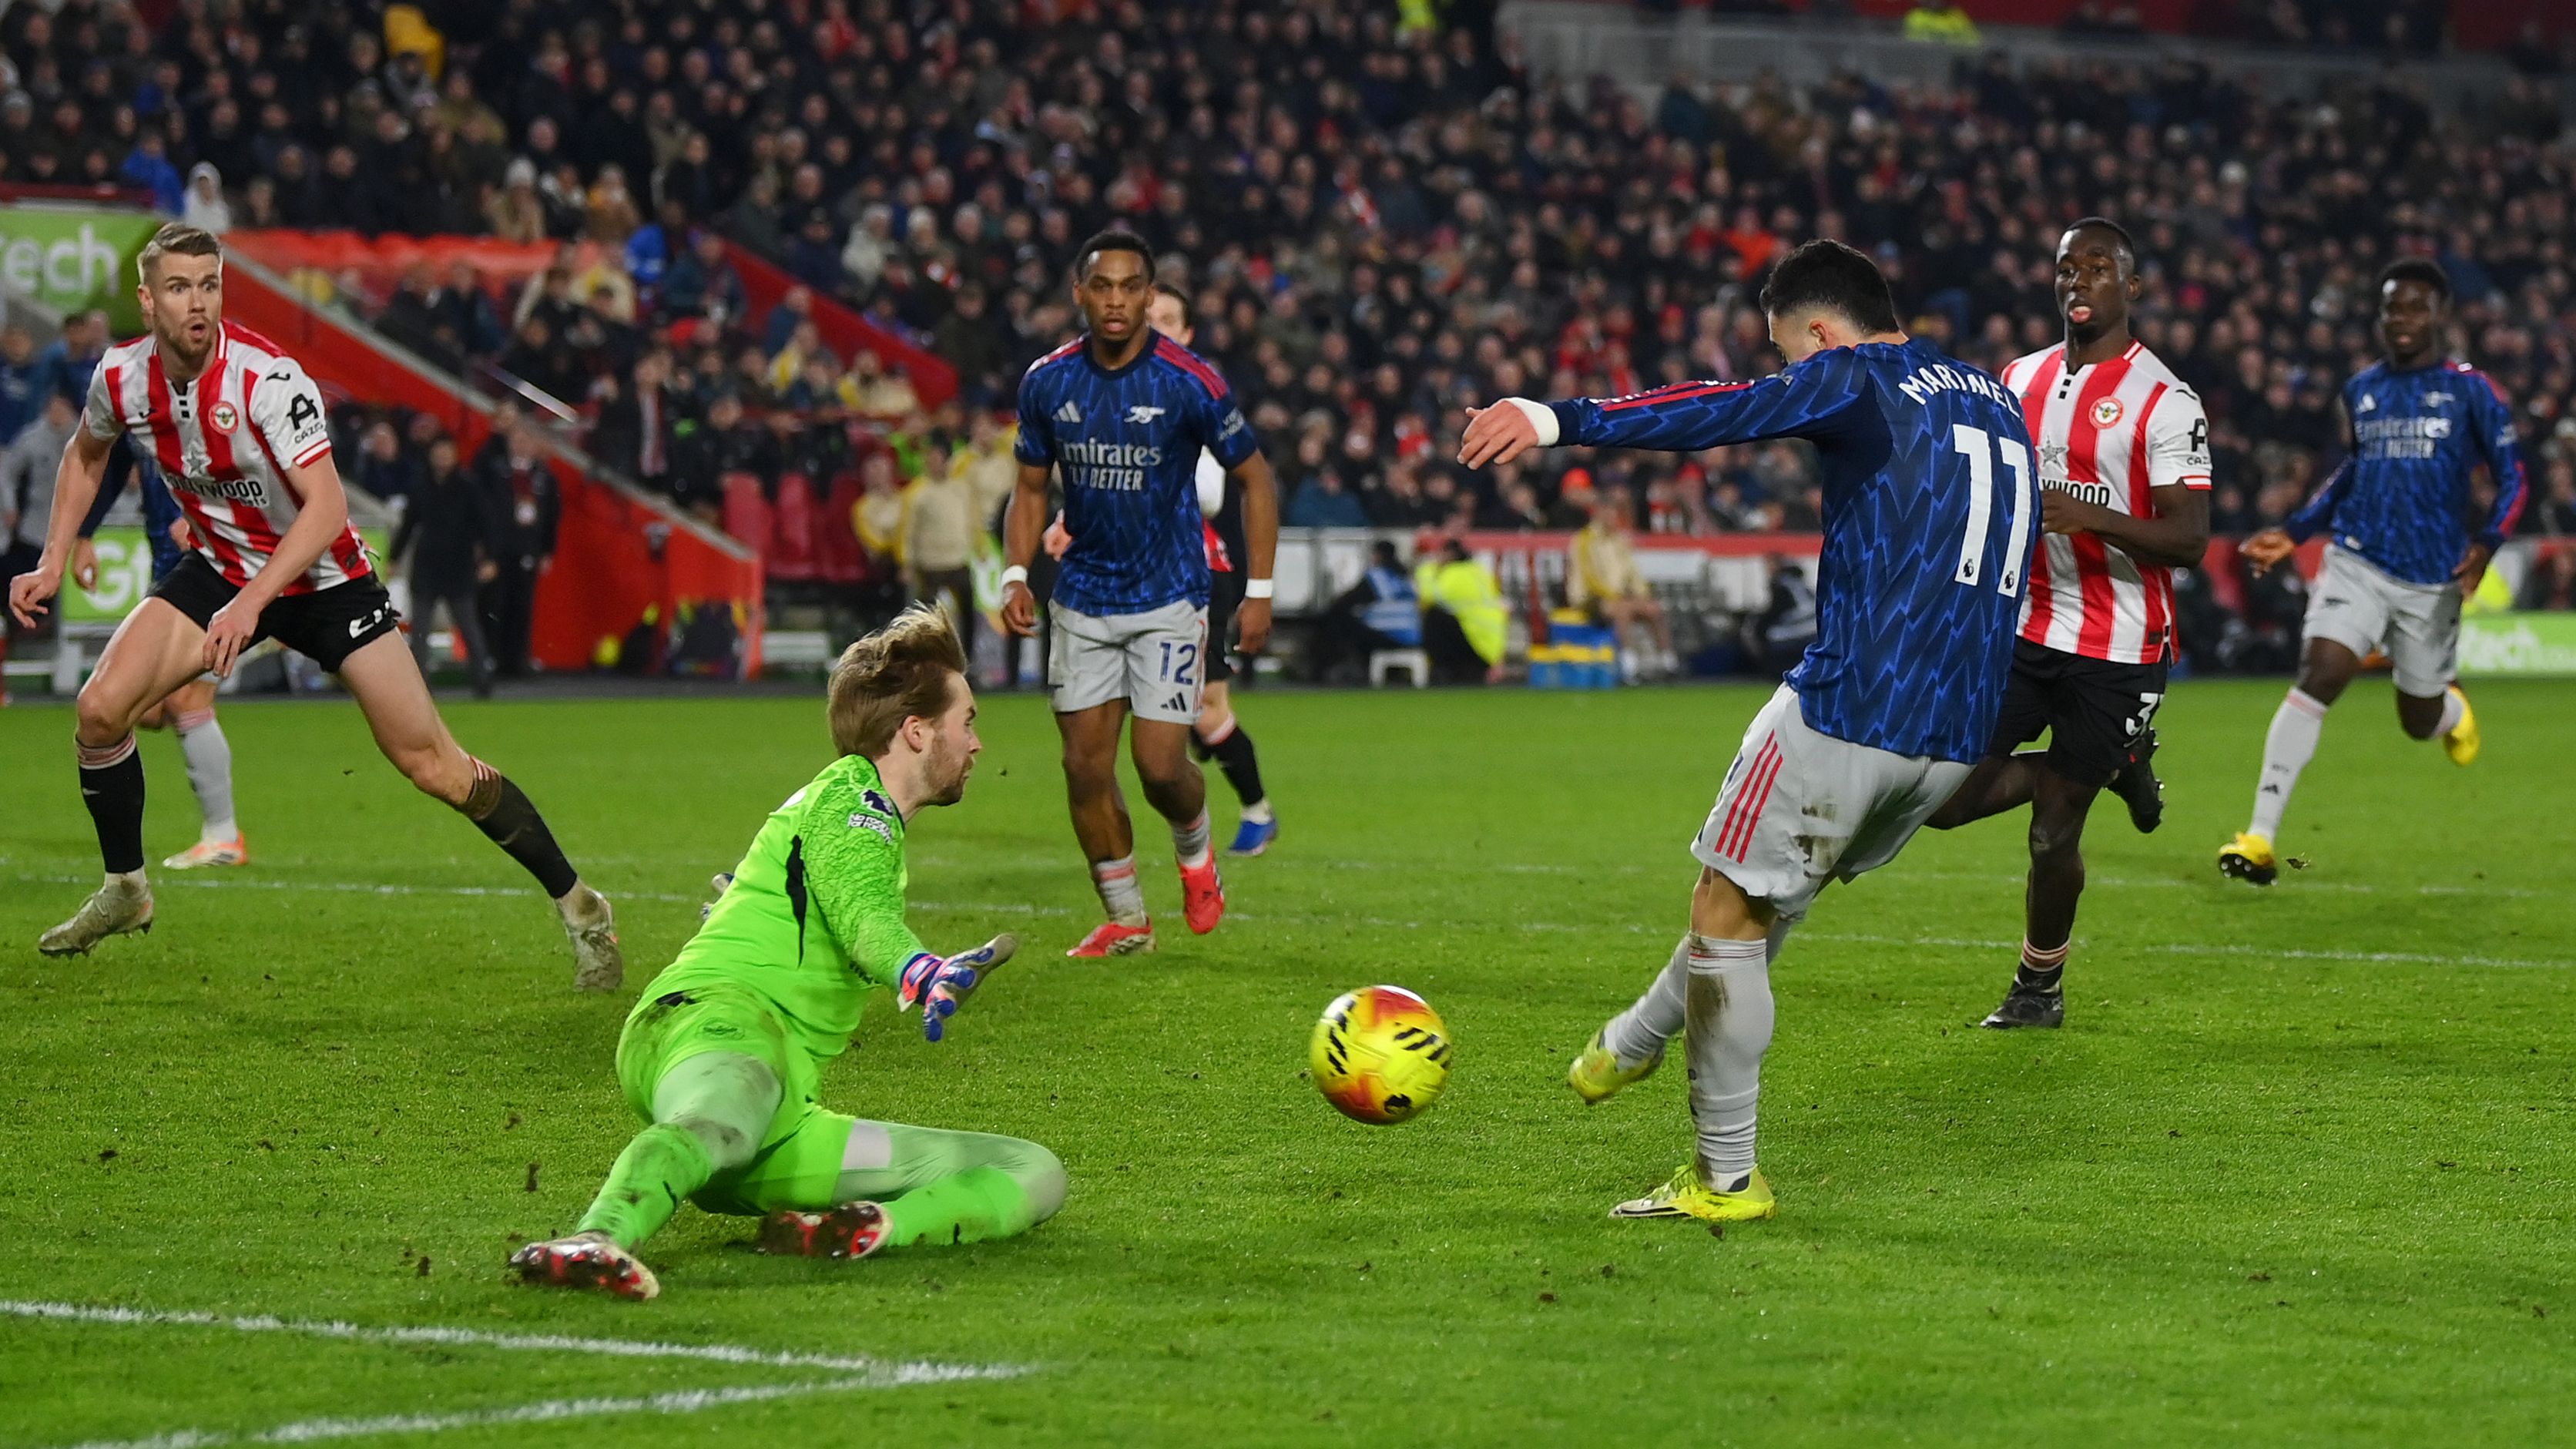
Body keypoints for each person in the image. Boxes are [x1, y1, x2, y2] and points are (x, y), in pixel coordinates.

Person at [1458, 239, 2036, 1224]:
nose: (1787, 371)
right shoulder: (1992, 395)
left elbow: (1720, 410)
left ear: (1818, 331)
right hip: (1953, 734)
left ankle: (1724, 1178)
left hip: (1853, 705)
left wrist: (1554, 417)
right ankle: (1632, 1041)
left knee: (1725, 911)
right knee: (1764, 902)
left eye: (1787, 353)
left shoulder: (1853, 375)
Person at [4, 224, 622, 988]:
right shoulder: (121, 378)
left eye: (208, 284)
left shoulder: (267, 379)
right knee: (99, 712)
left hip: (325, 583)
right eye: (177, 287)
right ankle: (127, 888)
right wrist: (53, 556)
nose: (196, 302)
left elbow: (326, 507)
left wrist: (251, 605)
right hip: (221, 570)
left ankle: (582, 907)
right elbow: (86, 454)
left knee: (434, 766)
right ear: (146, 300)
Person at [511, 608, 1062, 1300]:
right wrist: (920, 971)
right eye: (969, 720)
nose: (977, 744)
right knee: (726, 1110)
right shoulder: (854, 799)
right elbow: (863, 914)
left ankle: (865, 1227)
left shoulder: (848, 814)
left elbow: (831, 895)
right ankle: (596, 1235)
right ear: (918, 732)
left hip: (779, 1120)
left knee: (1030, 1168)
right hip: (715, 1024)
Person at [1921, 219, 2211, 1028]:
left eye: (2097, 268)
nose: (2078, 282)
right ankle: (2116, 761)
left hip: (2116, 649)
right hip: (2021, 634)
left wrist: (2092, 514)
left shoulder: (2164, 399)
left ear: (2132, 287)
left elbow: (2188, 539)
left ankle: (2036, 988)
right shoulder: (2017, 376)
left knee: (2052, 837)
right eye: (2065, 268)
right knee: (1940, 799)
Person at [1000, 230, 1280, 958]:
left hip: (1168, 599)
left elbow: (1256, 478)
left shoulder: (1190, 380)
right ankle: (1126, 916)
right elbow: (1029, 488)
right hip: (1084, 599)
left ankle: (1196, 854)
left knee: (1160, 767)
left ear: (1150, 296)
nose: (1117, 300)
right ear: (1080, 294)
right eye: (1103, 287)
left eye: (1131, 288)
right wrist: (1014, 573)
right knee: (1083, 767)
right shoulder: (1048, 381)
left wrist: (1259, 591)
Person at [2218, 260, 2525, 885]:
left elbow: (2514, 476)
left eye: (2414, 307)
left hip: (2431, 578)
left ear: (2440, 314)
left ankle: (2450, 714)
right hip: (2357, 559)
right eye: (2391, 308)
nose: (2401, 319)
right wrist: (2298, 530)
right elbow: (2354, 472)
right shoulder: (2362, 389)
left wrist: (2490, 541)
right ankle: (2259, 837)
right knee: (2322, 669)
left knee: (2417, 721)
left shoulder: (2473, 392)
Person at [69, 454, 253, 867]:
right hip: (170, 571)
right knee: (147, 711)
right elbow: (116, 463)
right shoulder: (135, 398)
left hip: (221, 570)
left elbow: (243, 461)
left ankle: (223, 837)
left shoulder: (210, 398)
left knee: (187, 700)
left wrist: (209, 519)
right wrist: (84, 535)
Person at [1147, 283, 1280, 856]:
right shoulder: (1114, 386)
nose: (1156, 327)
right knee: (1186, 712)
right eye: (1150, 316)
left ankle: (1257, 810)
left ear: (1188, 332)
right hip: (1146, 566)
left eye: (1169, 319)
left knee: (1207, 709)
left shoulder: (1196, 389)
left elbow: (1208, 489)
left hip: (1199, 567)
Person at [391, 434, 498, 697]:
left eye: (447, 452)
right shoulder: (420, 486)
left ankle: (482, 682)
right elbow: (408, 525)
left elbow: (486, 525)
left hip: (458, 566)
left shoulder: (468, 487)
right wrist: (394, 557)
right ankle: (419, 687)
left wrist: (490, 559)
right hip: (427, 565)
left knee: (469, 627)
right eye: (438, 452)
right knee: (420, 632)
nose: (442, 458)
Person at [474, 412, 559, 678]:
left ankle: (518, 660)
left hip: (528, 549)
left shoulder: (543, 477)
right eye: (517, 439)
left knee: (522, 606)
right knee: (494, 604)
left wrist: (547, 550)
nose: (522, 444)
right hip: (499, 549)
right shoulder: (495, 470)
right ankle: (492, 658)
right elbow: (483, 510)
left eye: (527, 439)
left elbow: (553, 516)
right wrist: (484, 548)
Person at [1569, 487, 1679, 680]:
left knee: (1653, 609)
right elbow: (1589, 578)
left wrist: (1642, 594)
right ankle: (1630, 666)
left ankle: (1668, 663)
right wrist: (1615, 595)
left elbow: (1633, 573)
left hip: (1621, 597)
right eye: (1609, 513)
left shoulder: (1619, 540)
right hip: (1591, 598)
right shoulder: (1585, 540)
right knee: (1622, 611)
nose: (1613, 518)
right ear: (1599, 513)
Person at [900, 435, 979, 661]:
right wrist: (907, 562)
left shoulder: (961, 490)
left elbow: (971, 521)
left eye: (937, 459)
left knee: (967, 616)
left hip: (958, 560)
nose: (934, 463)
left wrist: (977, 548)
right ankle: (926, 662)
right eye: (930, 459)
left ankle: (967, 661)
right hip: (930, 563)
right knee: (926, 620)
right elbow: (908, 530)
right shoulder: (917, 493)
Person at [1313, 538, 1424, 683]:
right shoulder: (1405, 577)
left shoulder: (1376, 577)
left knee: (1335, 620)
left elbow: (1344, 603)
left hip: (1389, 636)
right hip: (1413, 636)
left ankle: (1327, 670)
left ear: (1377, 555)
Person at [1417, 536, 1508, 684]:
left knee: (1433, 616)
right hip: (1490, 645)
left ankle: (1443, 670)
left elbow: (1429, 596)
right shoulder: (1478, 571)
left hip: (1476, 643)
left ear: (1450, 554)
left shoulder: (1455, 574)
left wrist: (1427, 570)